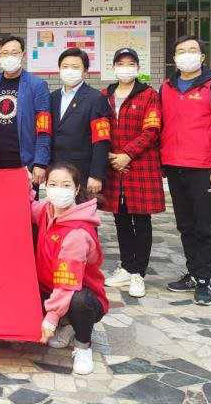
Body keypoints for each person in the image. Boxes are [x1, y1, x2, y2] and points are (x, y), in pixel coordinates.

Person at [160, 35, 211, 306]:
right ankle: (193, 272)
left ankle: (204, 279)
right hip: (174, 166)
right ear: (174, 58)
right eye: (181, 51)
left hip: (204, 168)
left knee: (204, 226)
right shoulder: (166, 87)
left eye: (192, 50)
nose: (187, 55)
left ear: (202, 57)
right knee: (185, 225)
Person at [32, 162, 109, 376]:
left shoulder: (78, 233)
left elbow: (67, 283)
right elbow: (26, 206)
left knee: (78, 301)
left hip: (80, 293)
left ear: (76, 189)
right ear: (46, 186)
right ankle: (67, 324)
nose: (59, 190)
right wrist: (21, 184)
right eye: (53, 184)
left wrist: (51, 318)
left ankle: (83, 346)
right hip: (49, 288)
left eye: (66, 185)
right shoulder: (46, 211)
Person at [101, 48, 165, 299]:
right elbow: (98, 127)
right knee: (121, 219)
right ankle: (127, 267)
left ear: (138, 67)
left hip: (140, 165)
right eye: (120, 63)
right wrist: (109, 155)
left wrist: (127, 154)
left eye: (130, 63)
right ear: (113, 67)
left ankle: (139, 273)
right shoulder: (105, 95)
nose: (125, 68)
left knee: (141, 220)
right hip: (113, 166)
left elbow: (152, 130)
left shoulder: (149, 95)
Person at [0, 35, 51, 188]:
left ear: (23, 55)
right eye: (5, 53)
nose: (9, 57)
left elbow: (44, 128)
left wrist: (40, 162)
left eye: (14, 53)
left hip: (25, 163)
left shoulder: (37, 85)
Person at [49, 48, 111, 195]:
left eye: (75, 67)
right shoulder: (53, 97)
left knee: (82, 208)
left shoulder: (96, 98)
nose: (69, 71)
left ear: (85, 71)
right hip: (56, 170)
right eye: (65, 66)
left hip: (82, 171)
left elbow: (101, 140)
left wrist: (96, 175)